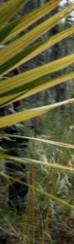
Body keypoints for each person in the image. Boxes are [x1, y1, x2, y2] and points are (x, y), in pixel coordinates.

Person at [0, 67, 29, 214]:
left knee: (17, 165)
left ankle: (17, 204)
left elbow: (18, 106)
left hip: (11, 127)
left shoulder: (15, 84)